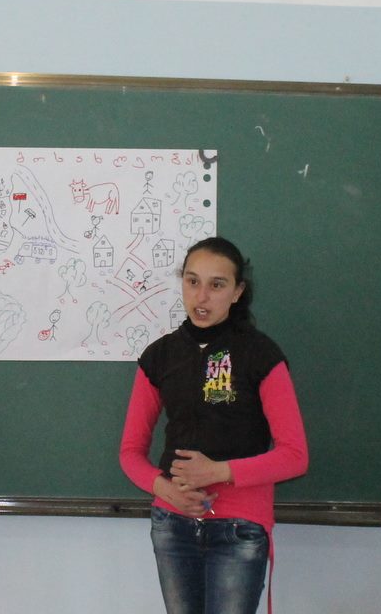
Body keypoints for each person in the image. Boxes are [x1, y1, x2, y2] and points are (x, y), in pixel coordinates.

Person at [118, 236, 309, 614]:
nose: (201, 296)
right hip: (172, 525)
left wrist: (218, 471)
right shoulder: (159, 356)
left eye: (216, 285)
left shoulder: (261, 355)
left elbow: (295, 456)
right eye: (192, 281)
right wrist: (165, 490)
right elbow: (129, 453)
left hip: (239, 528)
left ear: (237, 292)